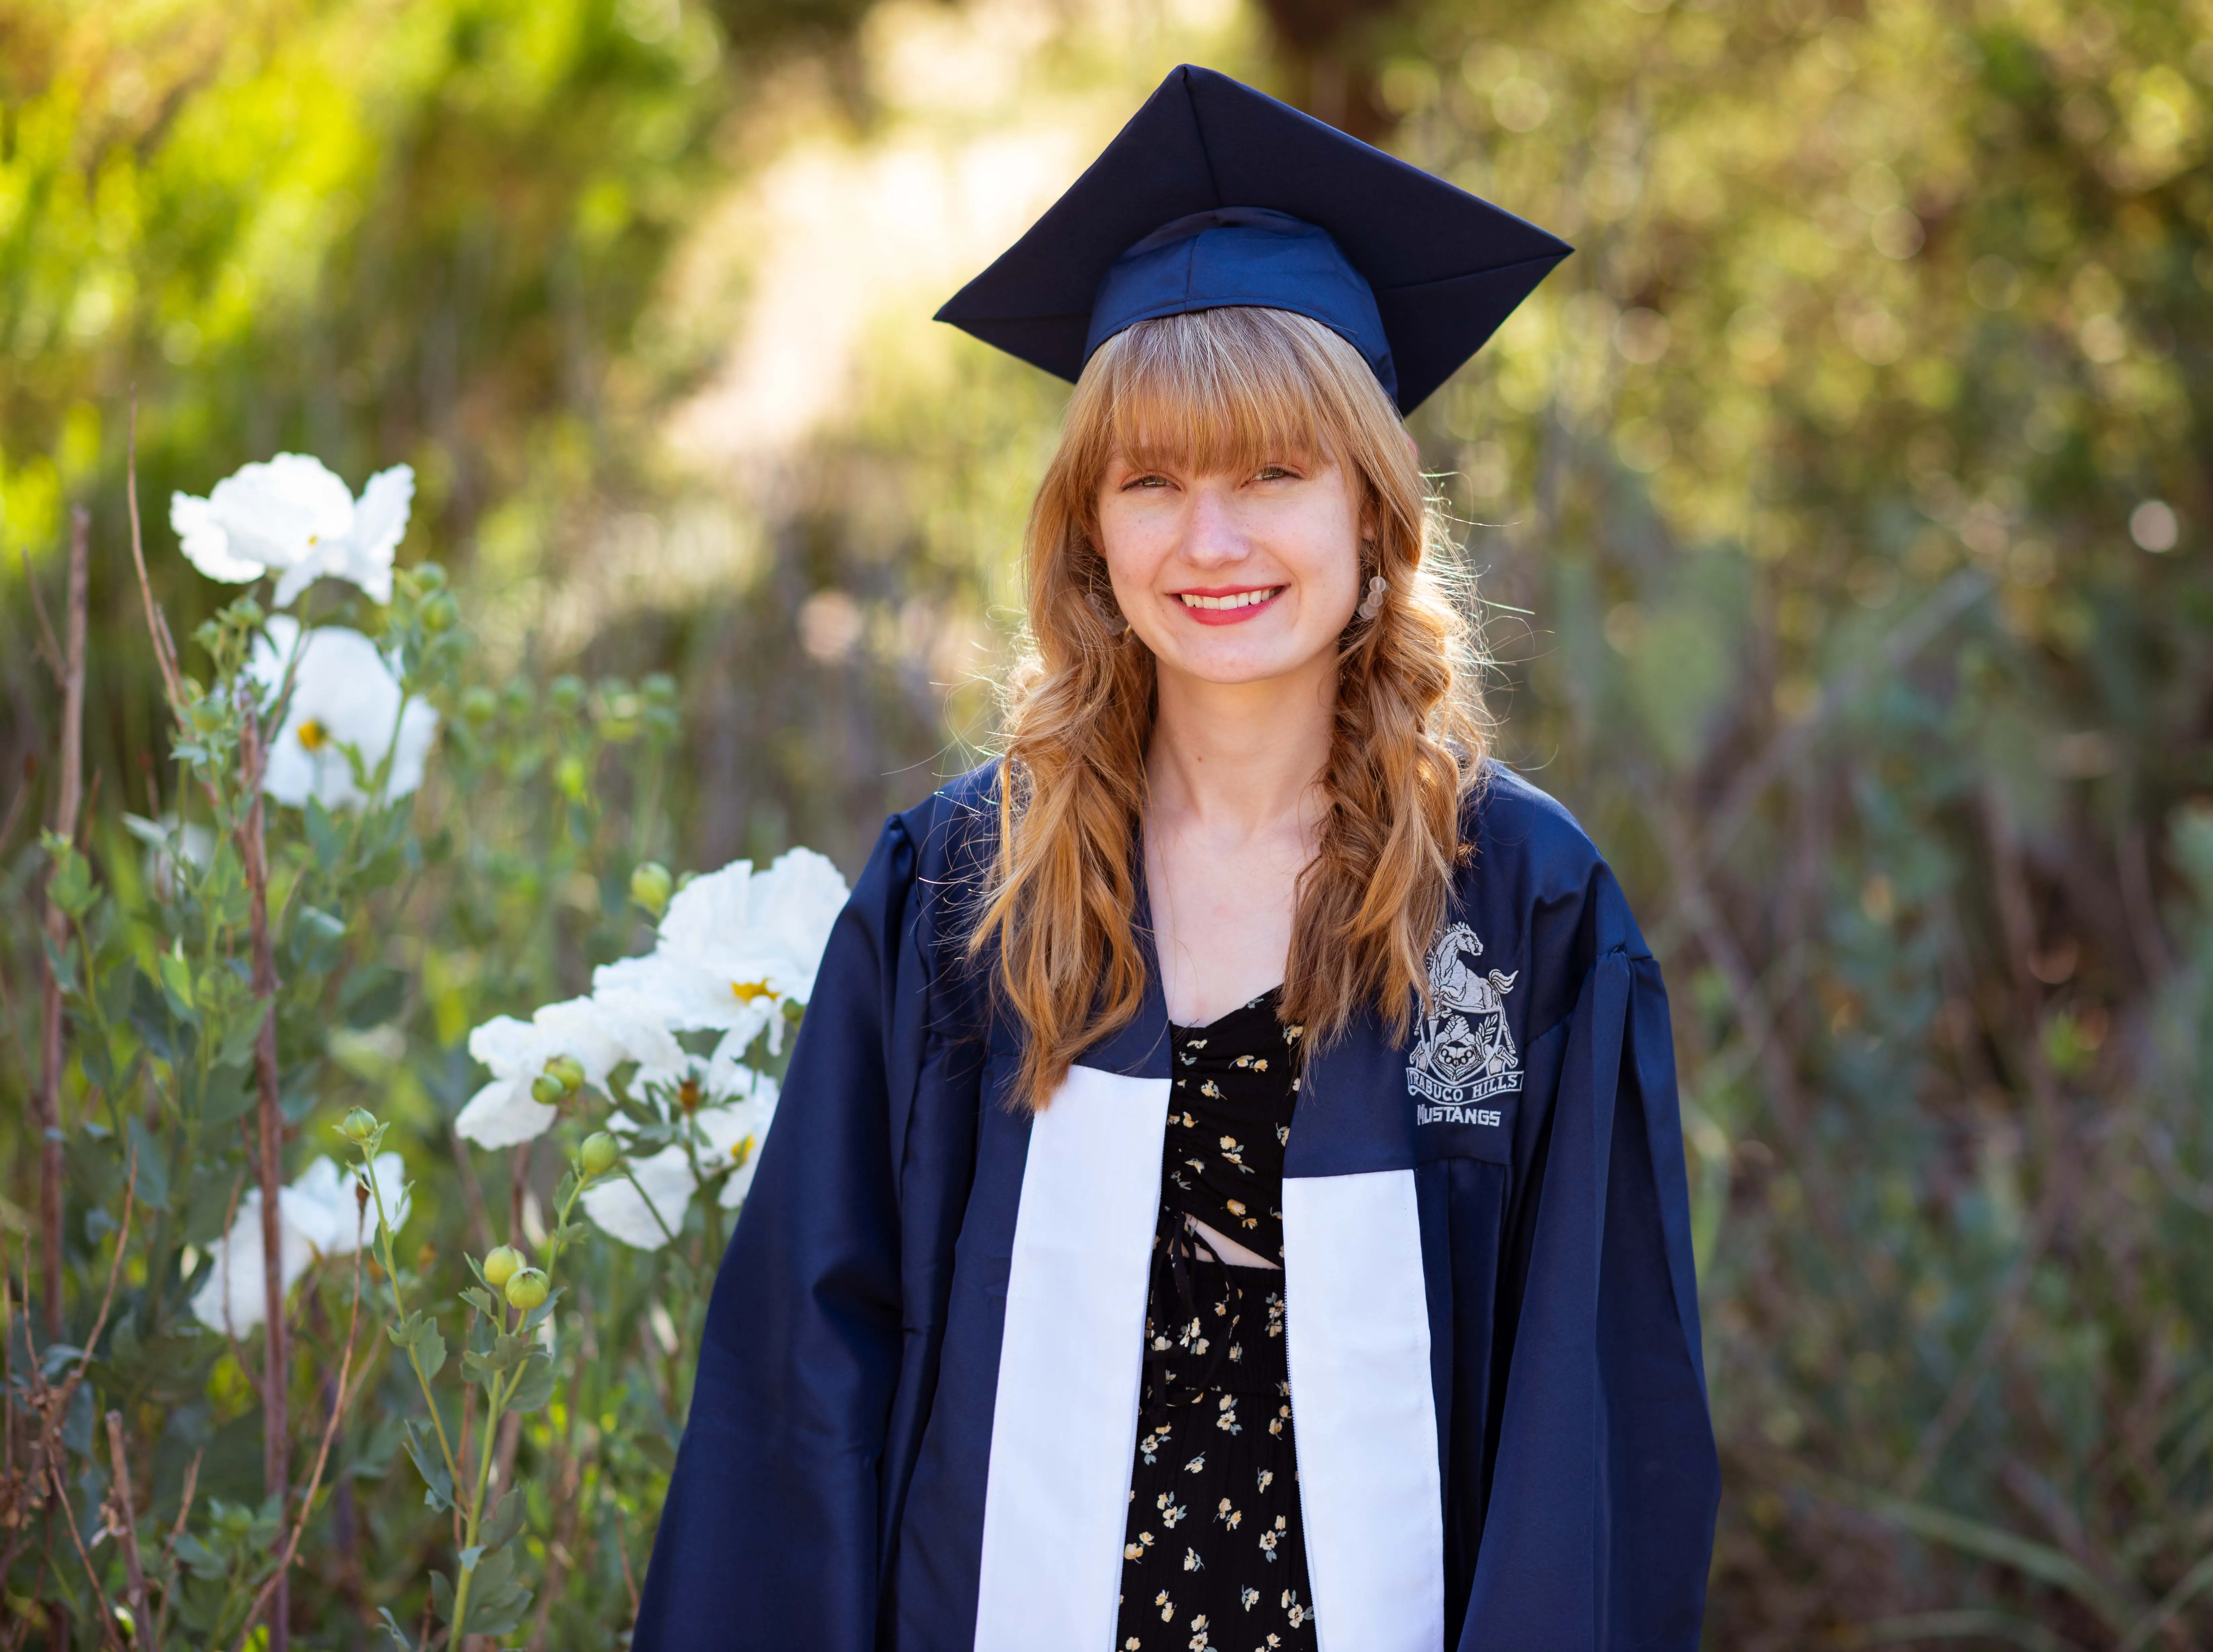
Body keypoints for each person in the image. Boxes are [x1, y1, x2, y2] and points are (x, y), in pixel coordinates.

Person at [634, 63, 1719, 1652]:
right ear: (1090, 527)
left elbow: (1592, 1426)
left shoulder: (1519, 904)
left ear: (1372, 513)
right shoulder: (958, 895)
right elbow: (803, 1392)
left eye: (1273, 473)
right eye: (1151, 481)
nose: (1210, 544)